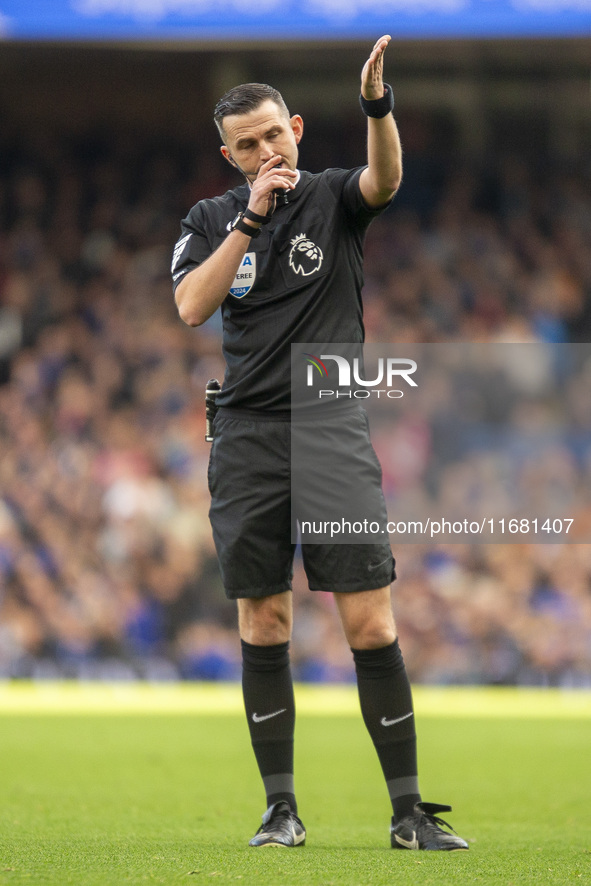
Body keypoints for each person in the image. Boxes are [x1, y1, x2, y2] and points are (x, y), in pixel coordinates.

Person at [171, 36, 468, 852]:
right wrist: (250, 218)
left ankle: (408, 812)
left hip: (331, 427)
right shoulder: (207, 221)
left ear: (296, 128)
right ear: (229, 155)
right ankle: (280, 810)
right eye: (248, 144)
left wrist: (377, 105)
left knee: (369, 624)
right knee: (263, 620)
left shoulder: (335, 196)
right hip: (247, 435)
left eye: (275, 134)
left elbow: (388, 180)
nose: (266, 150)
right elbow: (193, 307)